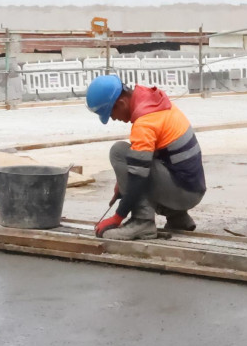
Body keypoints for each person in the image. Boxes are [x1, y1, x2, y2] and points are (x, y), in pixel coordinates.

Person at [86, 74, 206, 240]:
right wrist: (122, 182)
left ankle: (142, 223)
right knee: (140, 163)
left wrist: (117, 217)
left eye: (111, 114)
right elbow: (153, 154)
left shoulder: (145, 123)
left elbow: (138, 178)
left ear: (121, 103)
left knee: (119, 151)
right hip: (192, 187)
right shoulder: (153, 101)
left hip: (183, 192)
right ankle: (178, 217)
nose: (114, 119)